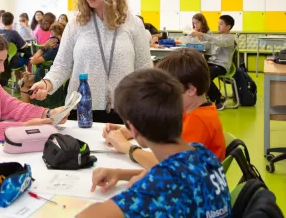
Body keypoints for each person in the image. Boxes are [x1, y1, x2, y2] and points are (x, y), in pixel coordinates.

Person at [77, 69, 232, 218]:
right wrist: (121, 174)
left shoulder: (157, 188)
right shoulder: (203, 154)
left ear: (133, 129)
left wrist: (138, 188)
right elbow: (175, 174)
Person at [30, 0, 152, 124]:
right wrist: (47, 83)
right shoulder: (76, 24)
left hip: (124, 112)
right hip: (80, 110)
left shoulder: (133, 24)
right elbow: (62, 65)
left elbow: (145, 72)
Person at [103, 48, 226, 170]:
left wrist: (126, 147)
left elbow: (165, 167)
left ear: (190, 90)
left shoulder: (198, 121)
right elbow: (163, 132)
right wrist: (130, 130)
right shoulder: (192, 110)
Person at [191, 15, 235, 111]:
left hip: (221, 66)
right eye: (218, 24)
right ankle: (199, 99)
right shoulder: (219, 36)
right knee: (195, 72)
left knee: (206, 75)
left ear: (228, 27)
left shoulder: (230, 38)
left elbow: (219, 43)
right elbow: (211, 46)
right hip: (212, 63)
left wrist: (202, 35)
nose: (218, 26)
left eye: (221, 24)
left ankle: (219, 99)